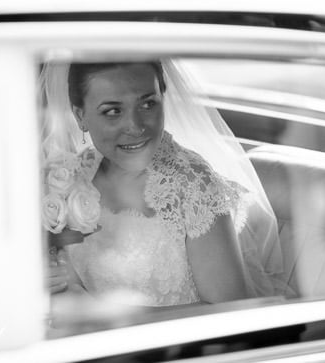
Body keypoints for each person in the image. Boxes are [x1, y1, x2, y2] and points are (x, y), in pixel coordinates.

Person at [41, 60, 292, 307]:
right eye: (113, 111)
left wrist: (101, 313)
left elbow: (227, 314)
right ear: (80, 116)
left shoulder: (195, 188)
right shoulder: (68, 179)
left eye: (148, 104)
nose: (136, 127)